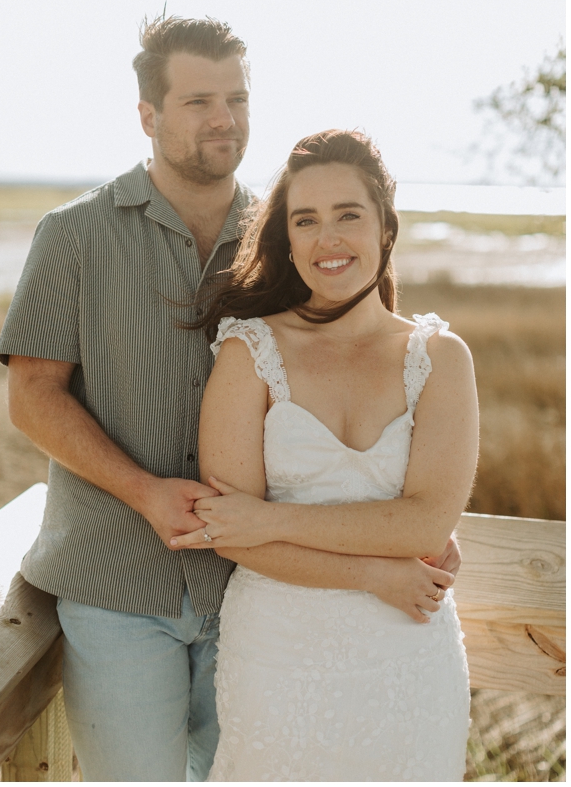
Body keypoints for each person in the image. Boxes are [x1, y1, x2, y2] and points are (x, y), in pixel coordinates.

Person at [0, 16, 462, 782]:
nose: (224, 119)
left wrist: (409, 522)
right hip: (116, 581)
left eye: (238, 99)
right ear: (147, 116)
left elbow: (366, 339)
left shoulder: (283, 233)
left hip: (254, 590)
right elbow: (31, 398)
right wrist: (144, 491)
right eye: (199, 100)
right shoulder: (72, 234)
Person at [180, 129, 474, 780]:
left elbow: (425, 523)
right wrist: (376, 573)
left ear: (385, 227)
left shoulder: (440, 358)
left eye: (348, 215)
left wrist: (273, 518)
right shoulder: (248, 351)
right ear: (287, 238)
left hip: (410, 659)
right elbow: (233, 536)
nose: (327, 239)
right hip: (278, 658)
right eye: (305, 220)